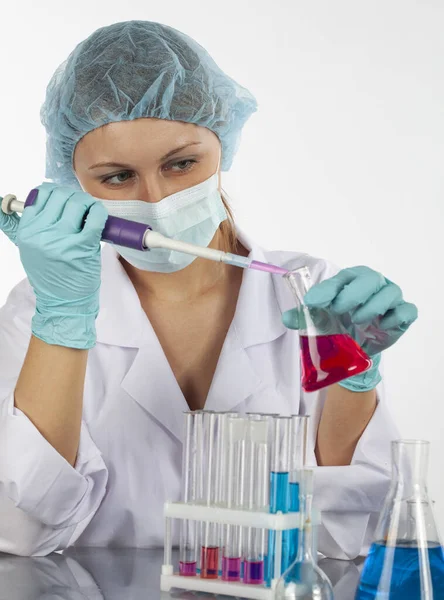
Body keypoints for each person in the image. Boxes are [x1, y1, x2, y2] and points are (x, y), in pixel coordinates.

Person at [0, 20, 417, 558]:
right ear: (73, 180)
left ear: (223, 144)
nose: (157, 201)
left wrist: (353, 381)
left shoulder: (306, 292)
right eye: (117, 177)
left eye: (182, 164)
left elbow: (348, 534)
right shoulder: (40, 307)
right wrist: (64, 318)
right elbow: (21, 533)